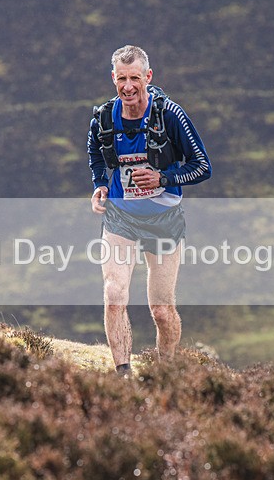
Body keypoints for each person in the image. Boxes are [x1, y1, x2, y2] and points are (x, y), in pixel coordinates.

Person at [87, 45, 211, 374]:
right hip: (120, 218)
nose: (128, 86)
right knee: (114, 294)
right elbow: (96, 154)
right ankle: (124, 375)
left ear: (148, 77)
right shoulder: (102, 116)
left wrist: (163, 176)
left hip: (164, 220)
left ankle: (164, 372)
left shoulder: (170, 115)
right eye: (122, 79)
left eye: (135, 78)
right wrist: (100, 183)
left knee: (161, 310)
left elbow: (202, 166)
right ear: (113, 78)